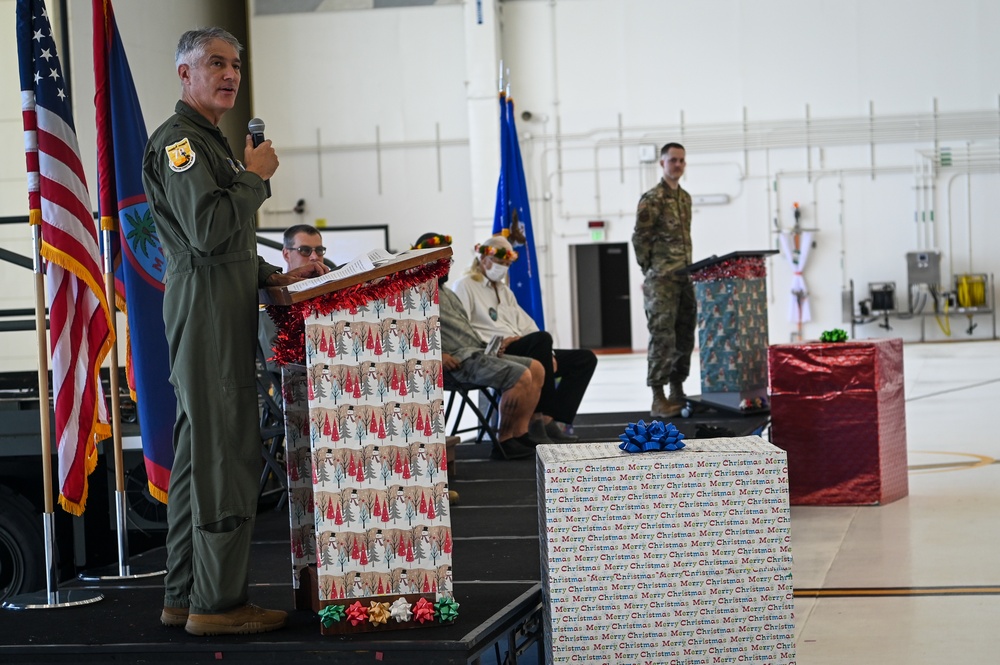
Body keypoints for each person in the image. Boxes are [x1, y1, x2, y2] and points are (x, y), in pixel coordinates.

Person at [141, 27, 329, 636]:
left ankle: (184, 595)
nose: (230, 74)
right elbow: (208, 229)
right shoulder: (182, 145)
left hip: (217, 303)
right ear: (184, 75)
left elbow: (229, 246)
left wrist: (280, 275)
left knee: (201, 457)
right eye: (215, 64)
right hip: (207, 314)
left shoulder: (208, 142)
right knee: (226, 453)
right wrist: (256, 177)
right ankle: (218, 605)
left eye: (235, 65)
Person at [412, 233, 546, 460]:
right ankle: (504, 441)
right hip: (457, 361)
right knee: (521, 375)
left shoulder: (445, 292)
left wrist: (491, 347)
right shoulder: (416, 294)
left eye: (449, 261)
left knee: (537, 368)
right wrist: (438, 355)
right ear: (426, 261)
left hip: (475, 353)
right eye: (442, 261)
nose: (447, 267)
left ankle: (520, 433)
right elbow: (413, 335)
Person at [451, 235, 597, 443]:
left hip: (521, 346)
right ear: (485, 260)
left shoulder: (503, 290)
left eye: (507, 264)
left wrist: (550, 354)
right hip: (493, 351)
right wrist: (502, 342)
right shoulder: (465, 286)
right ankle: (535, 418)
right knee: (540, 341)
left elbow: (528, 325)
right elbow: (463, 327)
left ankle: (549, 418)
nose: (504, 268)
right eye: (501, 263)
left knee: (584, 359)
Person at [632, 142, 695, 418]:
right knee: (662, 336)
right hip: (661, 281)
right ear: (662, 163)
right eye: (673, 160)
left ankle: (677, 390)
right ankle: (658, 397)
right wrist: (651, 268)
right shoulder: (652, 199)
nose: (678, 165)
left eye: (681, 161)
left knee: (684, 333)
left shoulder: (685, 198)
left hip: (685, 276)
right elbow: (640, 237)